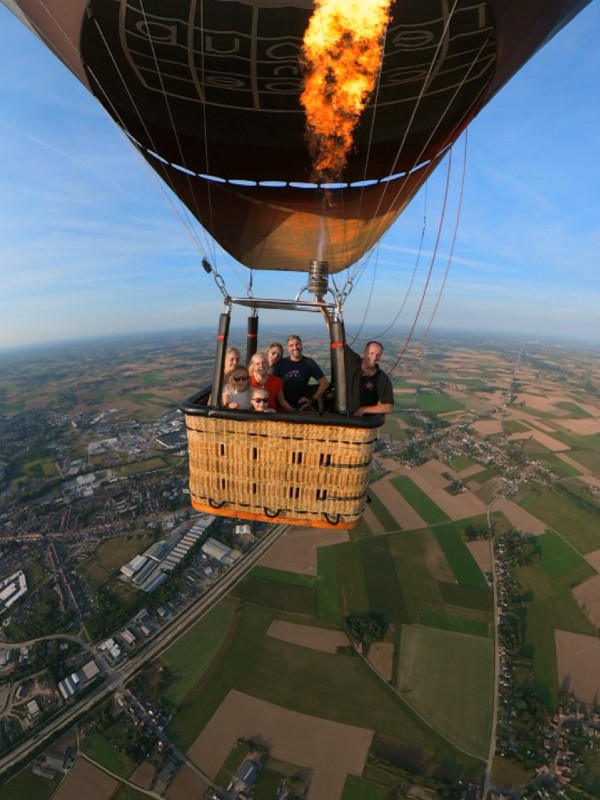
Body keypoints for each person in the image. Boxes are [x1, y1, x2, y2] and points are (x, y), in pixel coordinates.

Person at [272, 334, 329, 411]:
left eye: (297, 344)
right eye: (291, 345)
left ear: (301, 345)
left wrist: (312, 400)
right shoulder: (281, 364)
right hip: (281, 406)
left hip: (300, 407)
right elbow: (274, 385)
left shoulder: (309, 363)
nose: (295, 347)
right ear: (288, 349)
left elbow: (324, 383)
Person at [345, 340, 394, 416]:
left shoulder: (381, 378)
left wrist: (363, 410)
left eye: (378, 355)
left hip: (362, 423)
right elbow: (338, 339)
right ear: (364, 352)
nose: (374, 358)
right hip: (342, 419)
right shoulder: (353, 361)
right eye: (372, 353)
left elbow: (388, 407)